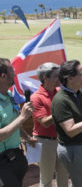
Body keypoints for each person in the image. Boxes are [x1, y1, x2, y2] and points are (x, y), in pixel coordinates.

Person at [31, 63, 69, 187]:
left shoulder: (60, 91)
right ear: (45, 78)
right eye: (56, 76)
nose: (60, 78)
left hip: (62, 140)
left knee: (64, 176)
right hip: (45, 142)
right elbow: (45, 122)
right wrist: (60, 109)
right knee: (46, 179)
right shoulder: (36, 97)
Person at [0, 58, 36, 187]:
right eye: (12, 71)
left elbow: (13, 123)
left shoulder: (9, 95)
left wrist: (27, 138)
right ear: (3, 76)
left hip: (16, 157)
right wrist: (22, 117)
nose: (15, 74)